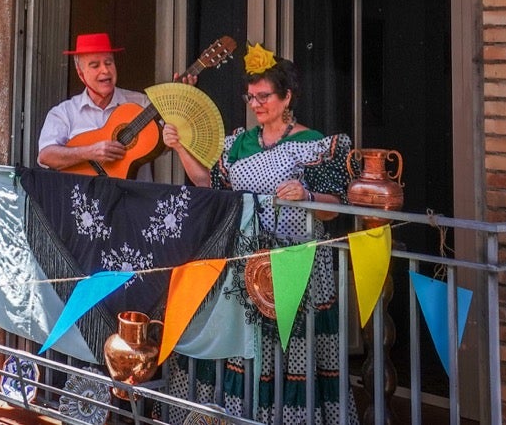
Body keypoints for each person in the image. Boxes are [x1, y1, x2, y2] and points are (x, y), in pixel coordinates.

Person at [161, 50, 356, 424]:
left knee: (287, 354)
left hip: (295, 268)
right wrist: (180, 147)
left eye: (264, 96)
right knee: (245, 350)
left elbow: (336, 208)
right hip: (245, 267)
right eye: (250, 97)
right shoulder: (239, 143)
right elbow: (207, 183)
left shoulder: (313, 143)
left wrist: (308, 196)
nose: (255, 104)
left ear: (287, 97)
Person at [36, 32, 159, 182]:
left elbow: (166, 143)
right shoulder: (64, 113)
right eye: (95, 65)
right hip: (82, 201)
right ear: (80, 73)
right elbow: (46, 156)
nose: (105, 70)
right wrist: (90, 152)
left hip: (134, 200)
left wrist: (178, 102)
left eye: (109, 63)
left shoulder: (141, 104)